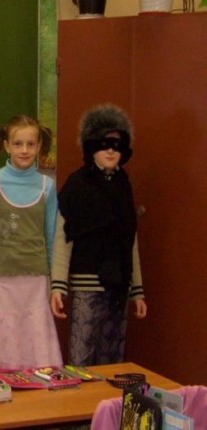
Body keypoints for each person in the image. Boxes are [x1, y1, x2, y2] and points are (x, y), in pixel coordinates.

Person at [50, 105, 147, 366]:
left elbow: (130, 240)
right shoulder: (77, 185)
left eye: (116, 145)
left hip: (119, 287)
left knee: (112, 358)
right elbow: (63, 238)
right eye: (104, 145)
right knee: (81, 356)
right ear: (91, 147)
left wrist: (137, 291)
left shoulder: (124, 186)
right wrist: (58, 285)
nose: (111, 151)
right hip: (86, 285)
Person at [0, 115, 63, 370]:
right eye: (17, 144)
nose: (24, 150)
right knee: (6, 356)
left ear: (39, 146)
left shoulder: (47, 186)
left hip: (37, 281)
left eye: (30, 144)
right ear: (7, 146)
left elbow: (51, 237)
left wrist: (54, 284)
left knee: (37, 357)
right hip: (3, 280)